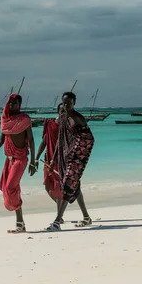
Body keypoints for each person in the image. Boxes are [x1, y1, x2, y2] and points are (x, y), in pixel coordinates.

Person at [0, 93, 37, 233]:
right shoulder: (5, 120)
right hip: (9, 159)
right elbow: (1, 141)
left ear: (20, 105)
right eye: (10, 103)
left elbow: (31, 140)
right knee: (11, 188)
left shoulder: (24, 119)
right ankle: (20, 223)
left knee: (11, 187)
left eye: (15, 103)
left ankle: (20, 222)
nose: (12, 105)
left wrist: (33, 162)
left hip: (21, 159)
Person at [45, 91, 94, 231]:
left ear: (74, 103)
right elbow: (61, 139)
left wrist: (76, 150)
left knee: (68, 183)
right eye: (64, 103)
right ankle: (86, 217)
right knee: (74, 184)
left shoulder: (78, 117)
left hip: (78, 154)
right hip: (67, 154)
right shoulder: (64, 117)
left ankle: (57, 221)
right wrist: (54, 158)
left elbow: (88, 138)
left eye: (69, 103)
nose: (66, 106)